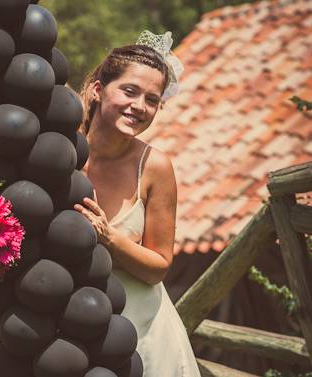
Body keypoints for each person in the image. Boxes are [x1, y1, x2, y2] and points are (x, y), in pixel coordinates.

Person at [74, 31, 201, 376]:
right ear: (98, 90)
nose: (139, 107)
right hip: (70, 330)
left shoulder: (155, 167)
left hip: (142, 336)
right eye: (129, 91)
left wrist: (109, 238)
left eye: (152, 99)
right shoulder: (60, 153)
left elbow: (158, 266)